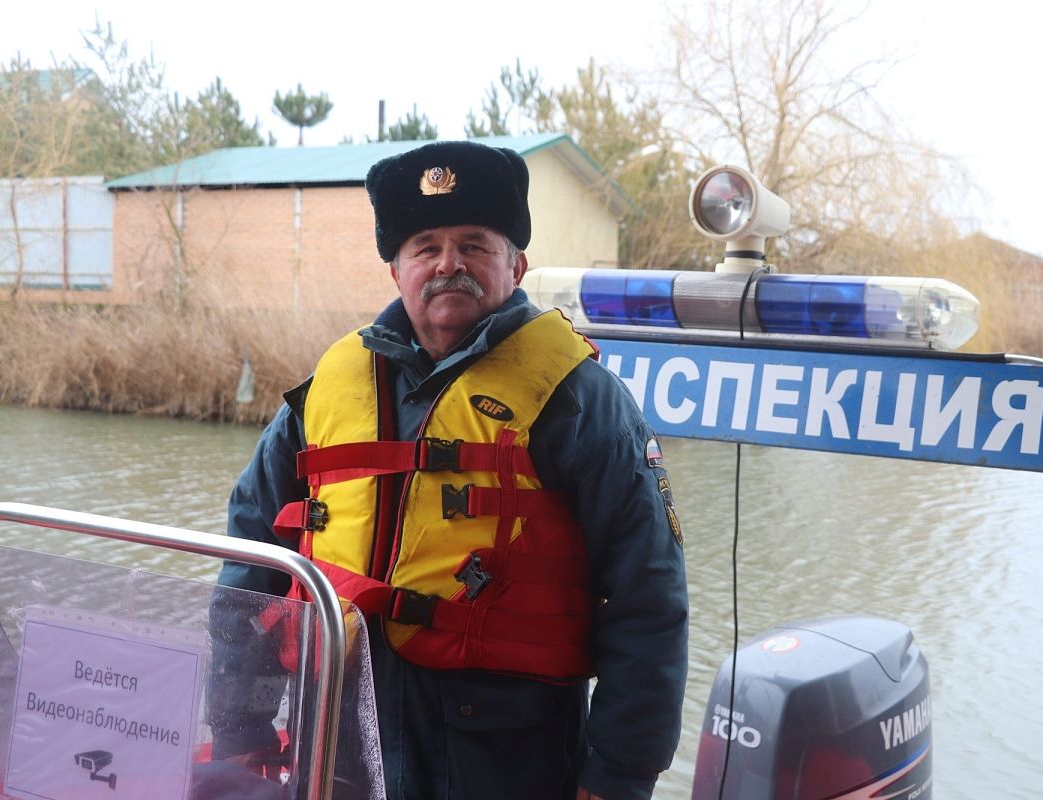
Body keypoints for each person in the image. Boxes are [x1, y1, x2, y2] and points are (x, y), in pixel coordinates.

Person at [213, 140, 689, 800]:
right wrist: (240, 727)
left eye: (474, 244)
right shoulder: (326, 392)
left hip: (509, 758)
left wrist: (617, 778)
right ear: (397, 269)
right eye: (425, 247)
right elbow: (250, 559)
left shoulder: (582, 401)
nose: (448, 265)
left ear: (516, 264)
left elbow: (649, 600)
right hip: (339, 740)